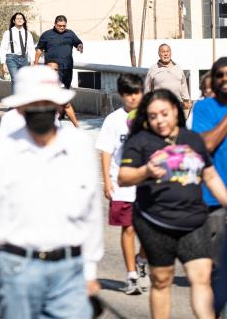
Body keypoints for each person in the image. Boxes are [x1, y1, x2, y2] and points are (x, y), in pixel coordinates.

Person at [0, 65, 103, 318]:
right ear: (21, 108)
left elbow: (91, 212)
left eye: (48, 103)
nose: (41, 111)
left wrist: (89, 271)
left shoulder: (79, 147)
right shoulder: (1, 154)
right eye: (34, 104)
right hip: (18, 269)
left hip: (70, 269)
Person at [120, 89, 227, 319]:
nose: (160, 120)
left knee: (201, 278)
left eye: (164, 113)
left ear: (175, 112)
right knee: (162, 280)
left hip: (194, 221)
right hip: (155, 222)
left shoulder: (193, 140)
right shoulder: (139, 141)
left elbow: (210, 177)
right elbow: (124, 176)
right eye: (153, 116)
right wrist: (145, 170)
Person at [95, 74, 149, 296]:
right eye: (128, 94)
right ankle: (131, 276)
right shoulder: (113, 120)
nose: (133, 98)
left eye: (137, 93)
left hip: (147, 184)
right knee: (128, 228)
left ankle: (142, 258)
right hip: (122, 184)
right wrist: (107, 181)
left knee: (149, 231)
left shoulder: (150, 117)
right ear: (121, 95)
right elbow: (106, 151)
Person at [187, 56, 227, 313]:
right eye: (220, 75)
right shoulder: (203, 108)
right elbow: (207, 145)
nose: (225, 80)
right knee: (216, 275)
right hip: (215, 205)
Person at [34, 15, 83, 89]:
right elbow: (39, 49)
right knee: (54, 89)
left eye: (64, 25)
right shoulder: (46, 34)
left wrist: (80, 46)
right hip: (53, 68)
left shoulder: (70, 33)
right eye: (59, 25)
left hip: (67, 68)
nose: (62, 27)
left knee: (66, 89)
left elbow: (78, 42)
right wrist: (36, 63)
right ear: (55, 24)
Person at [144, 43, 192, 111]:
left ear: (170, 53)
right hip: (159, 107)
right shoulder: (153, 69)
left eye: (167, 51)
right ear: (159, 54)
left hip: (177, 106)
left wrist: (187, 100)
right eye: (163, 52)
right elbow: (147, 90)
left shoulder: (178, 68)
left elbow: (183, 85)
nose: (166, 54)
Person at [0, 12, 34, 91]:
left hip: (24, 58)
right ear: (14, 21)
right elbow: (3, 48)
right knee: (15, 79)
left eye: (21, 18)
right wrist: (3, 63)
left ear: (24, 21)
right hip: (12, 58)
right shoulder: (8, 33)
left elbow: (31, 47)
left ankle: (21, 100)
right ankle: (15, 102)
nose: (19, 20)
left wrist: (32, 60)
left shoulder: (27, 33)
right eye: (17, 18)